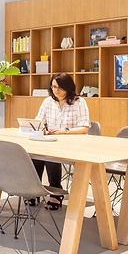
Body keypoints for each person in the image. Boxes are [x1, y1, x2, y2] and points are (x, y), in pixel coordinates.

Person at [33, 72, 91, 210]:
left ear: (68, 87)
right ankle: (34, 190)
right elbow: (38, 121)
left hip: (72, 144)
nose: (56, 90)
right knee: (34, 155)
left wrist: (64, 131)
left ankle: (56, 192)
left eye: (60, 87)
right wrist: (43, 130)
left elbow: (84, 128)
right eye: (53, 87)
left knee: (50, 157)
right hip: (52, 141)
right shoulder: (48, 101)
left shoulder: (79, 102)